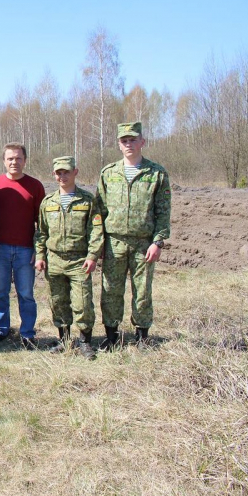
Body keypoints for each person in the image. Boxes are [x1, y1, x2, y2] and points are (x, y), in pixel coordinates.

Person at [95, 122, 171, 349]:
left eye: (133, 139)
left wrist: (158, 241)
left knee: (143, 290)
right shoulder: (109, 173)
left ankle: (142, 336)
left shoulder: (156, 173)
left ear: (142, 142)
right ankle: (111, 336)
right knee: (110, 291)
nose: (129, 144)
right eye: (124, 140)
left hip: (143, 243)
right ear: (119, 144)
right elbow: (99, 211)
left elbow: (163, 211)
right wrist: (98, 244)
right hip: (113, 242)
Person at [35, 156, 103, 360]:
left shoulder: (87, 200)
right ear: (54, 175)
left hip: (78, 260)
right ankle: (64, 340)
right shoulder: (48, 202)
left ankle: (84, 342)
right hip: (54, 260)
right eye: (58, 173)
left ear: (75, 172)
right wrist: (40, 255)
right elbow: (41, 232)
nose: (62, 176)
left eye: (66, 172)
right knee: (58, 302)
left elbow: (96, 230)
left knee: (82, 302)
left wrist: (92, 256)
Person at [0, 143, 45, 350]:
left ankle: (27, 334)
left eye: (18, 158)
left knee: (26, 294)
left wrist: (39, 249)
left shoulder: (35, 186)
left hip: (25, 250)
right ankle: (1, 330)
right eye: (10, 158)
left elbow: (42, 222)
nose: (14, 162)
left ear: (25, 160)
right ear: (4, 161)